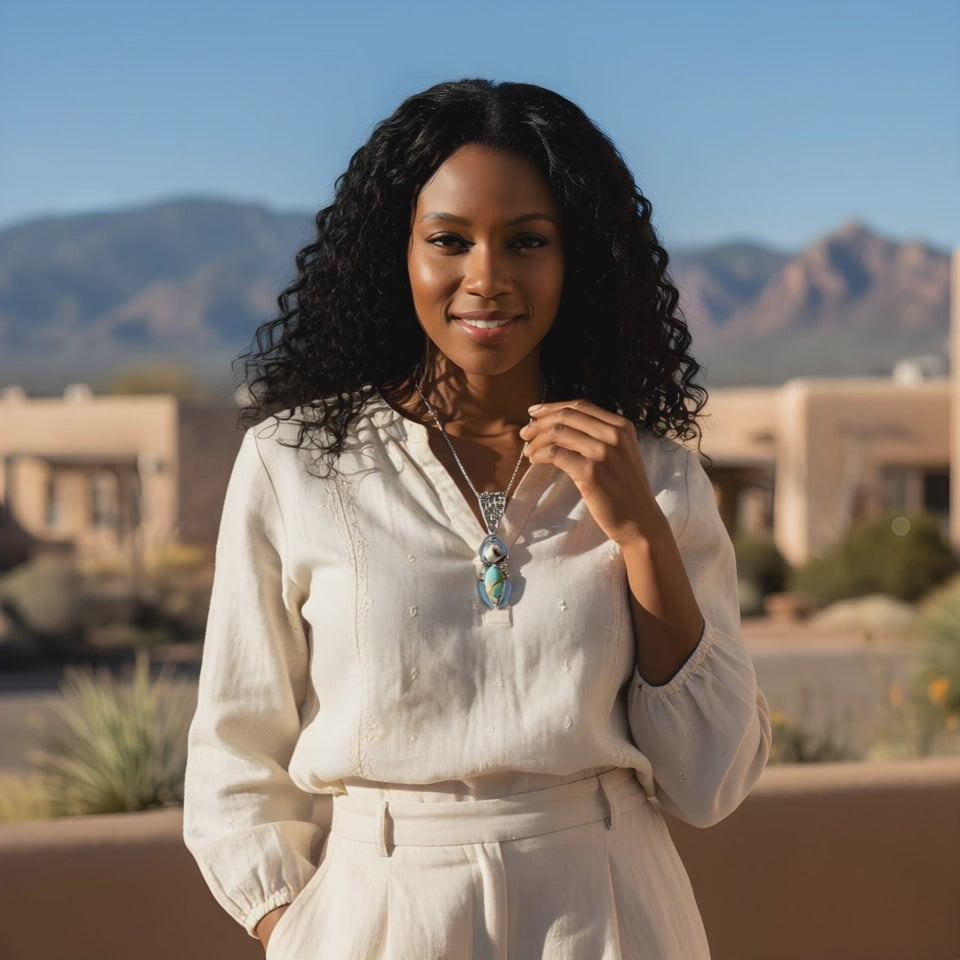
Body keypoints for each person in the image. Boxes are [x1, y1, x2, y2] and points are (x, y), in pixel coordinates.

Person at [184, 78, 771, 960]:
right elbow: (235, 752)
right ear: (399, 254)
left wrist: (641, 531)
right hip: (378, 917)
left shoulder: (652, 471)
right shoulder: (295, 463)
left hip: (611, 910)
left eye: (527, 241)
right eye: (448, 240)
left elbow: (710, 779)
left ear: (579, 261)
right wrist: (300, 929)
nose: (486, 278)